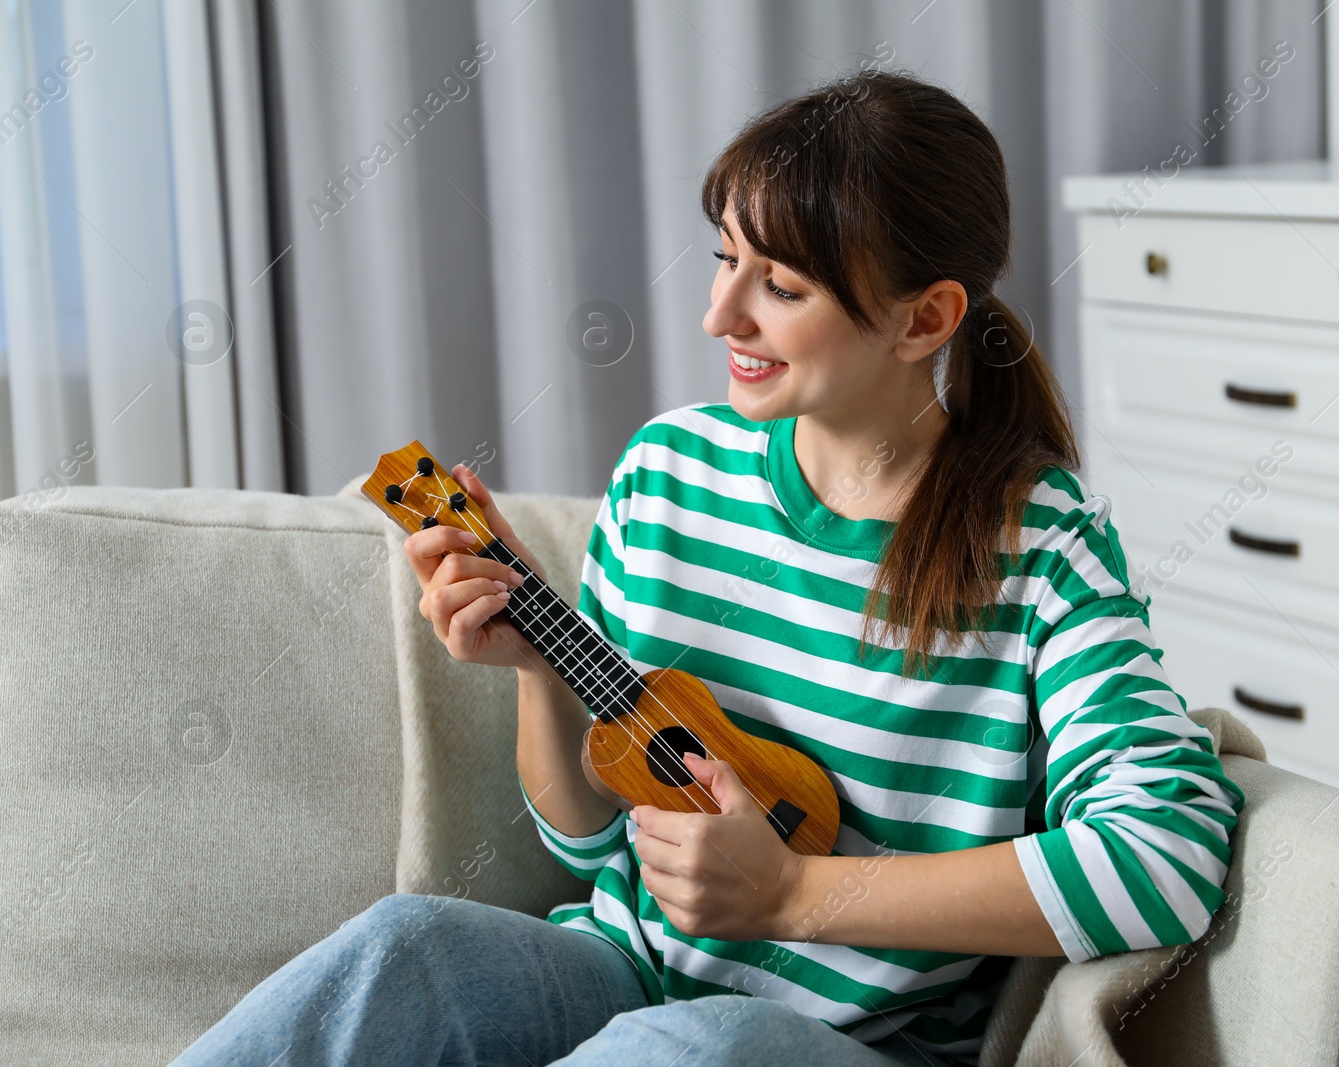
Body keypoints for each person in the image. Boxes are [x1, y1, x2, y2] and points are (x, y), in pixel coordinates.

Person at [171, 67, 1243, 1067]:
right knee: (404, 946)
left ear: (925, 318)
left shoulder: (1039, 545)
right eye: (726, 258)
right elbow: (586, 846)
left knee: (701, 1045)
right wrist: (542, 665)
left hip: (840, 1044)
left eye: (778, 285)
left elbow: (1165, 855)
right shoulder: (668, 471)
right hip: (623, 973)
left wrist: (795, 897)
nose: (719, 315)